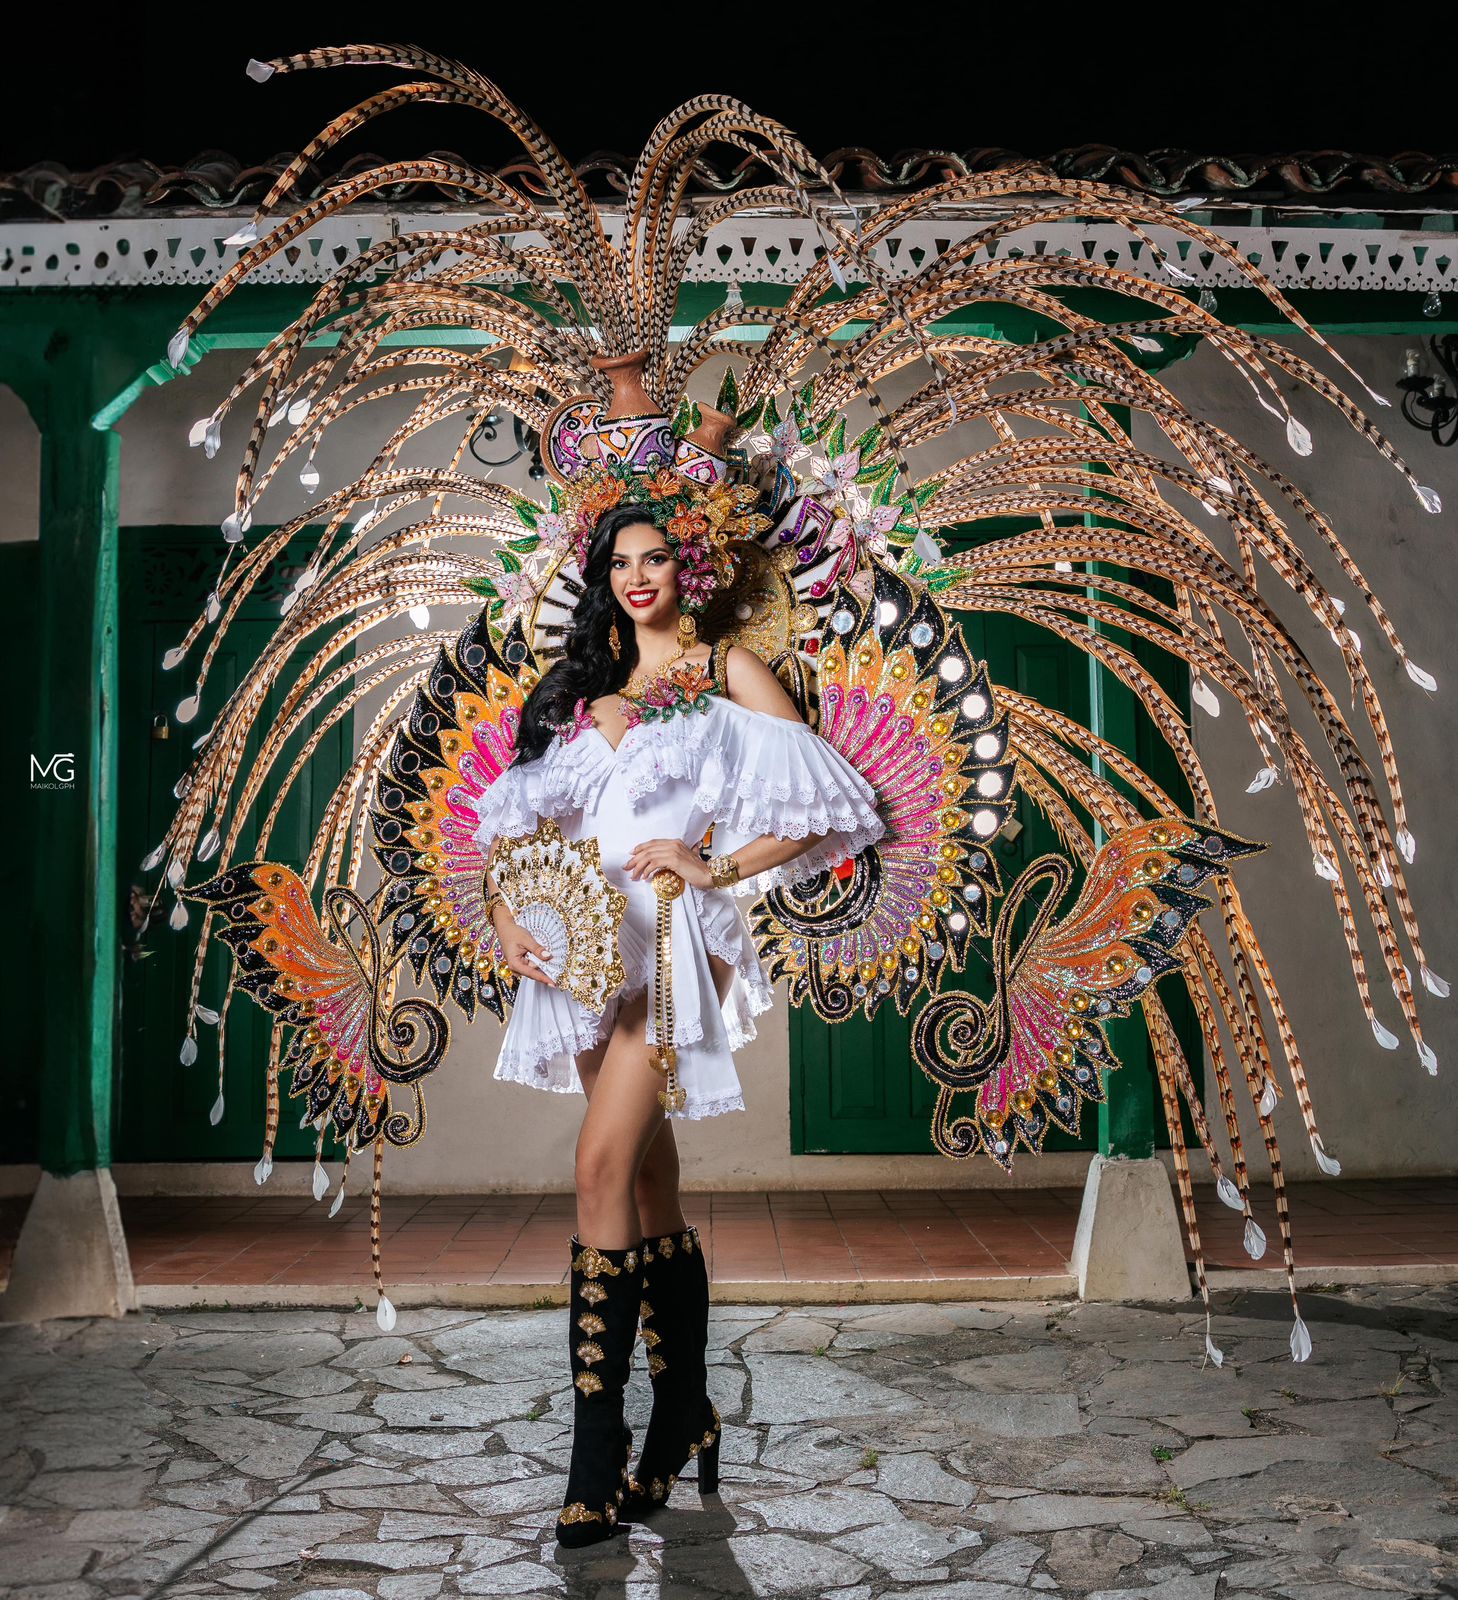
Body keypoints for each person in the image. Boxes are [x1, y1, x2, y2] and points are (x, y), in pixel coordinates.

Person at [467, 500, 886, 1545]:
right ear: (602, 576)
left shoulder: (729, 671)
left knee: (598, 1170)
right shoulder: (581, 699)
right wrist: (512, 913)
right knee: (650, 1181)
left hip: (668, 949)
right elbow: (513, 834)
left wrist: (710, 865)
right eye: (621, 561)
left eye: (658, 558)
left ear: (689, 570)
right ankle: (684, 1417)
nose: (639, 576)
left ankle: (596, 1455)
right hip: (585, 954)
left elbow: (825, 805)